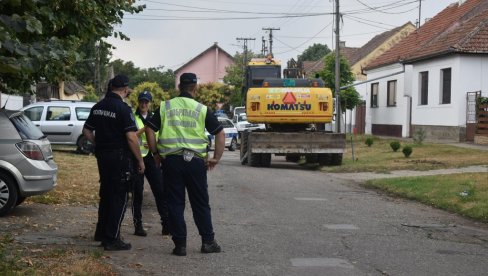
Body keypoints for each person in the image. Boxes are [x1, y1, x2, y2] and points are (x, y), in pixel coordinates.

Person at [145, 72, 225, 256]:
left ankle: (180, 245)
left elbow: (150, 128)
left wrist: (155, 153)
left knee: (175, 203)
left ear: (179, 87)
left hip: (171, 162)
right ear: (195, 87)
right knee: (200, 203)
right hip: (195, 163)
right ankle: (207, 242)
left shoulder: (165, 107)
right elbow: (220, 133)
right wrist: (216, 158)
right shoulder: (201, 109)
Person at [82, 74, 145, 251]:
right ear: (125, 90)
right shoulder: (123, 109)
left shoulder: (98, 106)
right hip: (119, 157)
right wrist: (140, 160)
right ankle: (112, 238)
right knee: (120, 196)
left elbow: (86, 130)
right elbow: (132, 138)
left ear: (110, 88)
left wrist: (97, 143)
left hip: (102, 156)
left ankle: (101, 232)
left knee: (107, 193)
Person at [132, 90, 169, 236]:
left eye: (146, 101)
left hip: (153, 157)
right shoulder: (132, 117)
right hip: (137, 157)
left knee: (160, 191)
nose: (143, 104)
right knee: (137, 193)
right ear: (138, 102)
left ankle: (166, 223)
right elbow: (132, 136)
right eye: (141, 101)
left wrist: (155, 144)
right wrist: (146, 129)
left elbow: (162, 137)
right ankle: (138, 225)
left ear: (150, 103)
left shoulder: (156, 117)